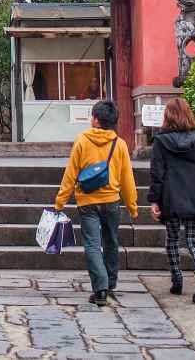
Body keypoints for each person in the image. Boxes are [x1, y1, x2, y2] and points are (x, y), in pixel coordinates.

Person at [54, 99, 138, 306]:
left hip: (87, 201)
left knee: (92, 244)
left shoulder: (82, 140)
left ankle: (100, 289)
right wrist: (132, 206)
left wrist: (60, 201)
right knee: (111, 241)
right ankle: (110, 282)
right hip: (111, 201)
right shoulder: (119, 144)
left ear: (96, 120)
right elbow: (127, 178)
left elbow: (70, 173)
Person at [149, 96, 195, 304]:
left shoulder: (160, 141)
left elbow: (157, 174)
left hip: (171, 196)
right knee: (194, 241)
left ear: (167, 116)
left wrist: (154, 200)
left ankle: (177, 279)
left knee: (172, 239)